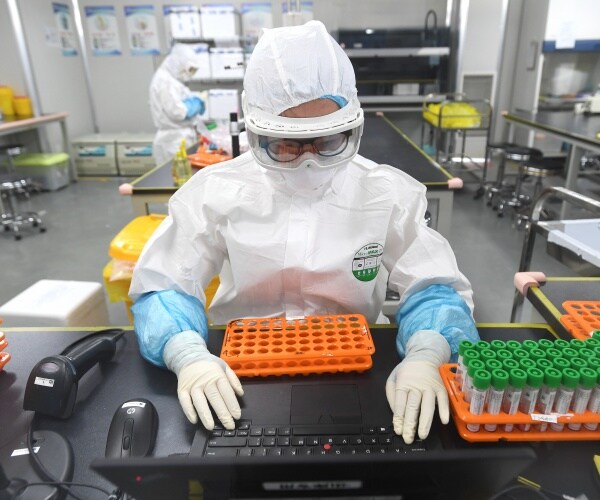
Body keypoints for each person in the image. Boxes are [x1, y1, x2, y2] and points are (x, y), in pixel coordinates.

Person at [130, 21, 479, 445]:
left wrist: (426, 355)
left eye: (327, 141)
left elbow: (434, 291)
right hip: (238, 374)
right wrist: (187, 357)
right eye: (286, 145)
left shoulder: (385, 193)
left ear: (352, 129)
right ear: (256, 132)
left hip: (355, 366)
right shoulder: (216, 193)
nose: (308, 163)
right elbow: (165, 286)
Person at [149, 43, 205, 166]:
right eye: (189, 69)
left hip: (179, 138)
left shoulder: (173, 81)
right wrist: (195, 103)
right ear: (178, 63)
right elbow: (178, 112)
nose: (189, 74)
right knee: (177, 180)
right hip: (172, 142)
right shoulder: (164, 81)